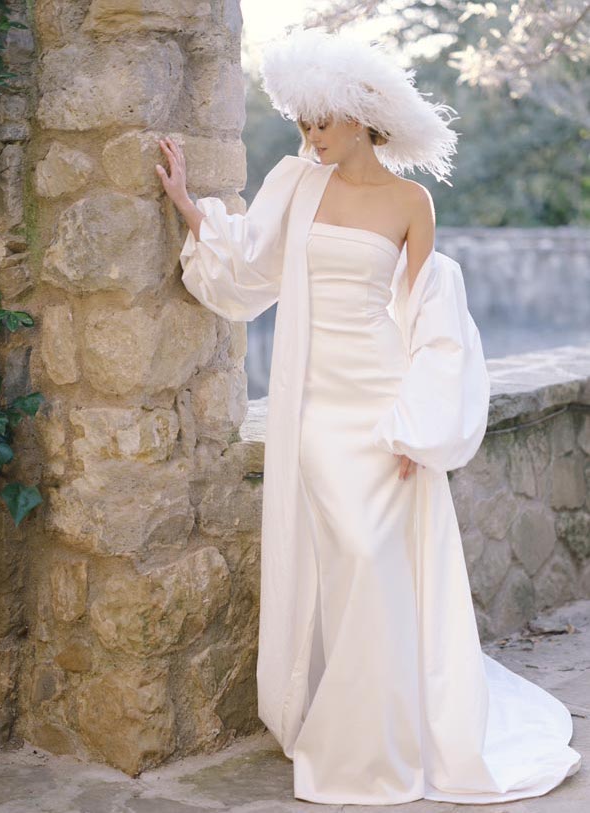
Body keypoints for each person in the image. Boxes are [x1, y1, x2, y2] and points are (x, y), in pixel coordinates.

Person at [155, 25, 581, 807]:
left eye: (323, 121)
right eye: (304, 122)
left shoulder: (411, 200)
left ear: (362, 118)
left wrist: (421, 423)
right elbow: (251, 264)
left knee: (382, 563)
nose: (311, 136)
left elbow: (427, 317)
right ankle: (357, 734)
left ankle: (389, 733)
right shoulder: (297, 182)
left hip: (384, 404)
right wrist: (189, 204)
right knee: (351, 551)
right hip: (317, 406)